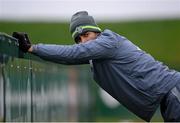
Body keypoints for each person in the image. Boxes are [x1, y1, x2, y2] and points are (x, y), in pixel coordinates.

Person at [12, 11, 180, 122]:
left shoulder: (107, 41)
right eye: (78, 39)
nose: (83, 41)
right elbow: (66, 57)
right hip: (170, 96)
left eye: (86, 35)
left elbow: (72, 53)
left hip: (174, 93)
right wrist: (37, 51)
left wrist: (33, 48)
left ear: (96, 32)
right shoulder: (98, 52)